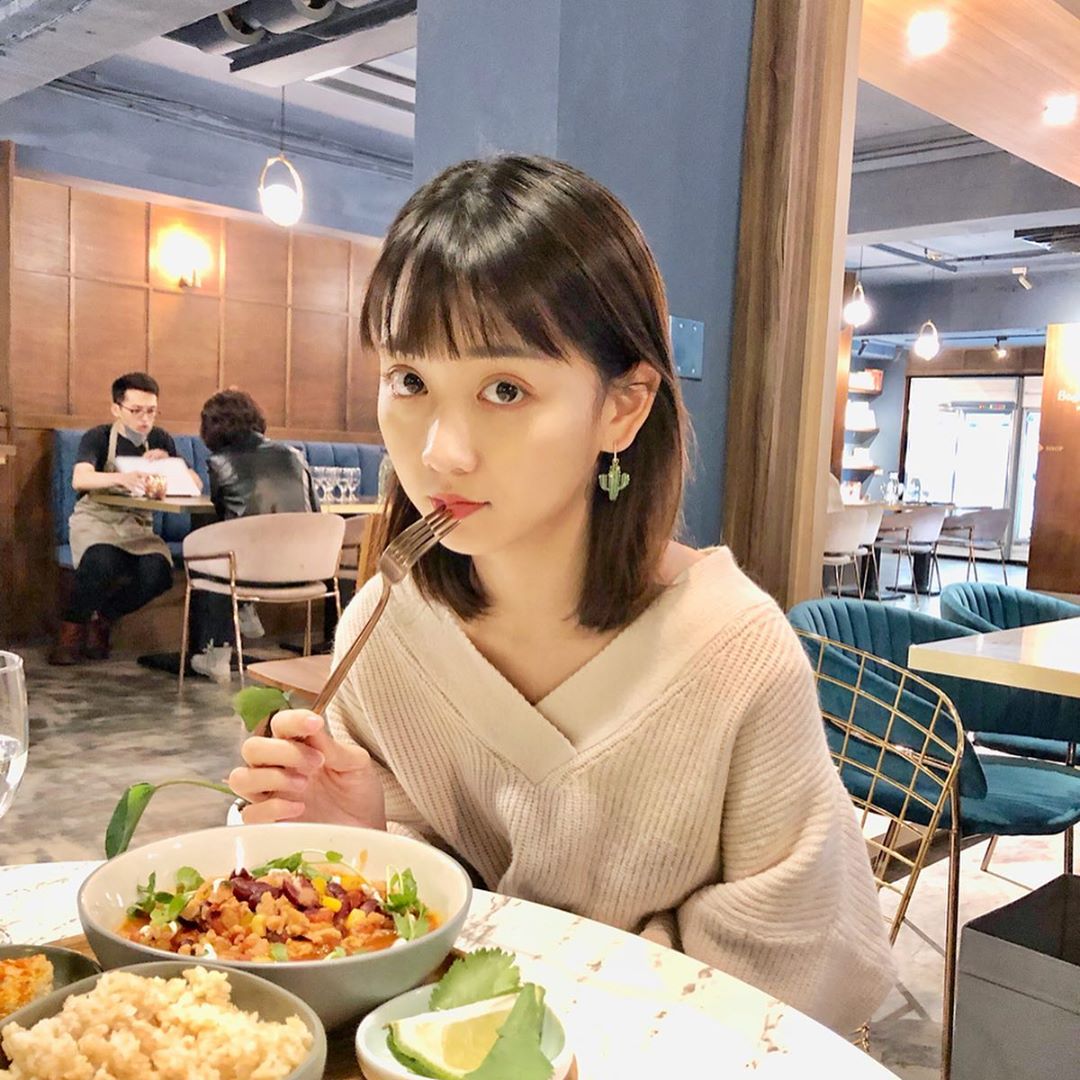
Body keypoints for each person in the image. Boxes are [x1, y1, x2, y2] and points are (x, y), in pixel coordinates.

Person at [229, 155, 895, 1033]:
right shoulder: (385, 628)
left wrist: (518, 958)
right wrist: (370, 839)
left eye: (505, 389)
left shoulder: (735, 654)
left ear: (624, 407)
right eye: (410, 381)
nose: (442, 452)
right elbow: (380, 929)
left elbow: (786, 979)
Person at [50, 372, 202, 665]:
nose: (145, 419)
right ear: (116, 409)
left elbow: (194, 485)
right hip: (97, 521)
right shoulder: (99, 437)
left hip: (138, 527)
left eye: (151, 411)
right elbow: (81, 479)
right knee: (101, 562)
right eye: (136, 411)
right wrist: (122, 477)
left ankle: (103, 618)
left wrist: (174, 465)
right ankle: (71, 631)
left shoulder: (160, 439)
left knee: (158, 574)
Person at [188, 389, 319, 681]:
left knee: (204, 555)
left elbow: (223, 514)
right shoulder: (295, 455)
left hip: (250, 571)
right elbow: (316, 510)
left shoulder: (220, 462)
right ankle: (244, 607)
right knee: (230, 550)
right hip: (308, 567)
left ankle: (216, 653)